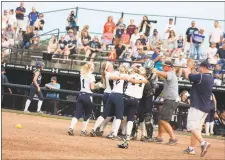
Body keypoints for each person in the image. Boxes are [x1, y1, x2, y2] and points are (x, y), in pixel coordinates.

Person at [184, 60, 213, 157]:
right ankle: (191, 148)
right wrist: (192, 69)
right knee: (196, 129)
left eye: (200, 67)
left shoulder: (202, 76)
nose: (199, 68)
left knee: (191, 127)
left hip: (197, 106)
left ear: (204, 67)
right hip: (204, 107)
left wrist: (188, 67)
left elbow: (188, 76)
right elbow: (194, 77)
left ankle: (203, 142)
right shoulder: (209, 77)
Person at [118, 67, 147, 148]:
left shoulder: (130, 76)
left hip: (127, 98)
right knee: (130, 119)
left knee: (122, 117)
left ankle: (122, 133)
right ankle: (127, 138)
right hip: (136, 100)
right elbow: (145, 81)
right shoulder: (144, 79)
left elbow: (127, 78)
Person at [152, 61, 179, 145]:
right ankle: (159, 137)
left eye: (165, 66)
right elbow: (161, 76)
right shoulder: (168, 73)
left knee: (164, 120)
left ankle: (173, 138)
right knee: (161, 118)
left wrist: (155, 70)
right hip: (169, 99)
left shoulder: (171, 73)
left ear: (169, 67)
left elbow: (164, 75)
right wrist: (155, 72)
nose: (163, 67)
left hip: (171, 99)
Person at [68, 62, 96, 136]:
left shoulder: (82, 74)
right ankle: (83, 131)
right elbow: (92, 88)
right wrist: (97, 85)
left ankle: (71, 128)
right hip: (88, 95)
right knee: (88, 114)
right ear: (91, 68)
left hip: (80, 95)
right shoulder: (91, 76)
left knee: (77, 114)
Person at [90, 61, 114, 136]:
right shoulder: (109, 74)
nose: (112, 67)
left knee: (110, 114)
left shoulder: (106, 74)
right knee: (106, 114)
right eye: (111, 66)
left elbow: (103, 85)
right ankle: (95, 128)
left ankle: (100, 129)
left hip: (107, 94)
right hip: (110, 95)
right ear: (107, 68)